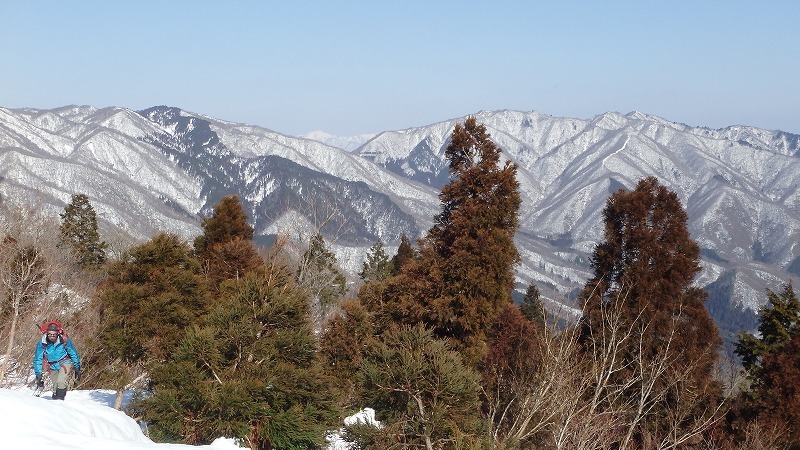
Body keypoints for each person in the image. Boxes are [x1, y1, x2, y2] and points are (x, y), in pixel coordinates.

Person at [33, 322, 81, 400]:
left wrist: (77, 367)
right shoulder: (42, 343)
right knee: (55, 386)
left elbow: (73, 353)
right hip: (52, 365)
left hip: (64, 362)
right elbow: (37, 359)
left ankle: (60, 399)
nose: (52, 336)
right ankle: (55, 400)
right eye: (50, 334)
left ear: (57, 334)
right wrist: (38, 375)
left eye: (54, 334)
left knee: (60, 381)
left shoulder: (64, 340)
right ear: (47, 333)